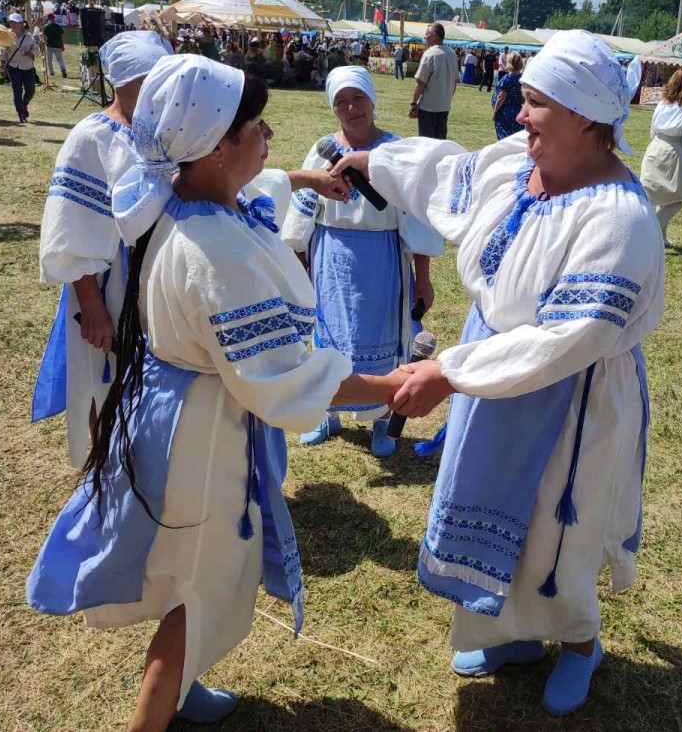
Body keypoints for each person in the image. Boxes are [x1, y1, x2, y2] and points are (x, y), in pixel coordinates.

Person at [26, 55, 405, 730]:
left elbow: (263, 196)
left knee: (186, 569)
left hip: (182, 415)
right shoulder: (212, 249)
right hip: (201, 438)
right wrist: (388, 386)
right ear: (216, 146)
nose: (267, 138)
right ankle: (153, 712)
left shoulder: (183, 203)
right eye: (255, 127)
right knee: (197, 585)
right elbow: (279, 375)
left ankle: (181, 686)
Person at [330, 30, 663, 717]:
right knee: (494, 512)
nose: (518, 114)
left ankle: (579, 644)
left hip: (567, 400)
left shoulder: (620, 219)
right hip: (491, 374)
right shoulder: (519, 161)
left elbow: (568, 338)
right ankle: (506, 635)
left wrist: (448, 374)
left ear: (583, 115)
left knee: (554, 525)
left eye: (535, 103)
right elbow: (450, 174)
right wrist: (375, 160)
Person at [281, 66, 442, 457]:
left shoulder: (393, 151)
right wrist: (301, 262)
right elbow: (302, 214)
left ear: (372, 100)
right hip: (332, 257)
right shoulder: (322, 149)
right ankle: (327, 410)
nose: (351, 108)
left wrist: (423, 277)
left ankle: (384, 418)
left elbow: (415, 220)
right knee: (331, 337)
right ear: (333, 107)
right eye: (341, 101)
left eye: (358, 99)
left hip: (383, 259)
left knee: (386, 338)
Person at [33, 32, 175, 468]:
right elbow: (71, 233)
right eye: (145, 83)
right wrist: (92, 308)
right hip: (112, 285)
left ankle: (147, 474)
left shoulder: (165, 131)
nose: (156, 94)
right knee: (105, 382)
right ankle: (106, 476)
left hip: (161, 279)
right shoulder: (93, 137)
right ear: (119, 83)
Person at [639, 68, 682, 247]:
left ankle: (660, 235)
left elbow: (652, 130)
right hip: (672, 151)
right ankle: (652, 230)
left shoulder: (662, 104)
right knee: (678, 198)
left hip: (654, 148)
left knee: (655, 195)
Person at [410, 22, 458, 140]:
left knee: (426, 142)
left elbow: (421, 82)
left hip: (428, 107)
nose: (425, 37)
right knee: (440, 141)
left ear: (435, 36)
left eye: (427, 34)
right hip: (444, 105)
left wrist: (413, 103)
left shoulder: (430, 54)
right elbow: (454, 82)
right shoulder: (452, 54)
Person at [0, 13, 39, 123]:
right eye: (11, 22)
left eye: (15, 22)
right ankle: (21, 113)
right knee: (17, 90)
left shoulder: (29, 36)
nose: (13, 24)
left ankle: (24, 104)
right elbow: (2, 52)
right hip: (13, 66)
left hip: (28, 66)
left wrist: (30, 53)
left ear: (21, 24)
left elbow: (36, 51)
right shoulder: (6, 35)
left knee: (31, 90)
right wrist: (2, 68)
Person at [491, 52, 525, 140]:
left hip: (505, 113)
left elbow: (501, 97)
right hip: (517, 111)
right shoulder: (522, 78)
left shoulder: (508, 78)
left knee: (505, 138)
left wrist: (494, 112)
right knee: (515, 138)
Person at [42, 12, 67, 78]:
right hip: (58, 45)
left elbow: (44, 36)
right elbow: (62, 36)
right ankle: (63, 69)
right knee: (60, 60)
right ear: (54, 18)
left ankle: (51, 72)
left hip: (49, 45)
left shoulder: (46, 26)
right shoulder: (58, 26)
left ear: (48, 18)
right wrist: (62, 46)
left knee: (49, 60)